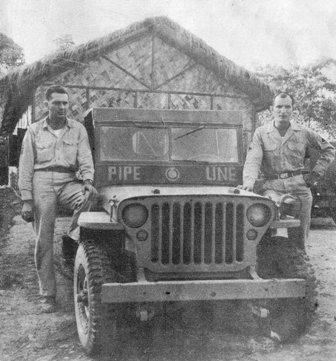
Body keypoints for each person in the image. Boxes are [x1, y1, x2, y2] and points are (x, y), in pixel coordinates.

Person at [18, 85, 97, 313]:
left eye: (65, 103)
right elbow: (25, 167)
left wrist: (88, 180)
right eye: (57, 103)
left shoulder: (78, 129)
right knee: (43, 239)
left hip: (68, 180)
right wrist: (26, 199)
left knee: (90, 197)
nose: (62, 107)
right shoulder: (34, 131)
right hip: (41, 181)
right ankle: (48, 294)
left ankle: (71, 238)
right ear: (47, 105)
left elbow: (85, 157)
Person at [242, 92, 335, 250]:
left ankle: (301, 259)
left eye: (287, 107)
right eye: (279, 106)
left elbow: (329, 150)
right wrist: (248, 182)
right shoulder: (261, 133)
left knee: (300, 234)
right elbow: (253, 159)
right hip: (272, 187)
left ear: (293, 110)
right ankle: (270, 262)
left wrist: (314, 174)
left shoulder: (303, 133)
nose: (282, 111)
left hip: (299, 186)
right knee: (263, 222)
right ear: (272, 109)